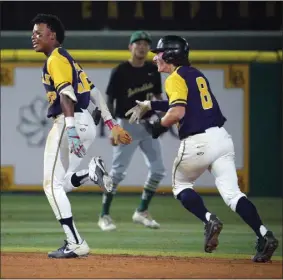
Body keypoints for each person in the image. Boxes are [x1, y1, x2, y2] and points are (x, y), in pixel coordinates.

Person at [126, 35, 279, 263]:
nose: (155, 57)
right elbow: (185, 102)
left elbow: (178, 112)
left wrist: (158, 125)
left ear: (170, 55)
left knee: (181, 186)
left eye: (158, 53)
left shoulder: (174, 78)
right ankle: (264, 234)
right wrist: (151, 104)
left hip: (198, 142)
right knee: (233, 195)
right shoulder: (195, 74)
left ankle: (209, 220)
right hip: (221, 139)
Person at [31, 13, 132, 258]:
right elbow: (95, 93)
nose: (33, 36)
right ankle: (90, 173)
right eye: (33, 32)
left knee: (50, 186)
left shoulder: (56, 58)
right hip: (85, 122)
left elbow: (66, 95)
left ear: (52, 35)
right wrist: (111, 124)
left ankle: (75, 242)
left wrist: (71, 129)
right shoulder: (69, 59)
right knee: (62, 184)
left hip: (71, 122)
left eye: (38, 32)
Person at [97, 31, 166, 231]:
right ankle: (104, 215)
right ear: (130, 47)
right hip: (125, 124)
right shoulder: (120, 71)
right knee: (117, 173)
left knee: (158, 169)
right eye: (138, 43)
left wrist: (161, 120)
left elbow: (157, 97)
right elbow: (109, 101)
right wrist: (113, 127)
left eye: (146, 44)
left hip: (146, 125)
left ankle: (142, 211)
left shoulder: (153, 70)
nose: (142, 47)